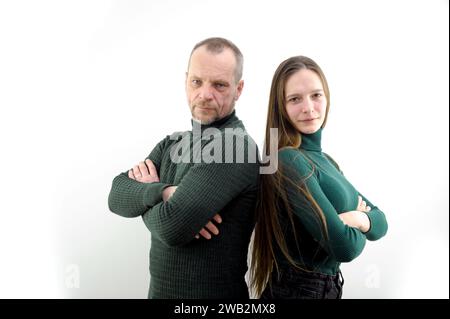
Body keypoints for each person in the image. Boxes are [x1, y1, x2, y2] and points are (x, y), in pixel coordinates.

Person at [108, 37, 259, 298]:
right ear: (186, 80)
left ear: (239, 88)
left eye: (219, 85)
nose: (205, 94)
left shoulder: (236, 146)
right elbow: (115, 195)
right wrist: (165, 193)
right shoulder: (173, 143)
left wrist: (146, 195)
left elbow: (173, 228)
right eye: (197, 82)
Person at [250, 56, 388, 299]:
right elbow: (345, 247)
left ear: (327, 97)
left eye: (316, 95)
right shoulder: (286, 160)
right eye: (295, 99)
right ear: (281, 107)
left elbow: (381, 223)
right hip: (299, 290)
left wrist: (355, 218)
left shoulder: (328, 162)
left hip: (326, 288)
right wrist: (359, 221)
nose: (309, 108)